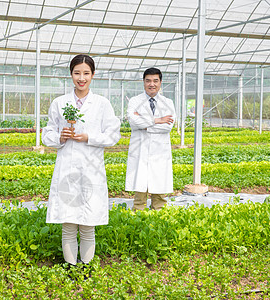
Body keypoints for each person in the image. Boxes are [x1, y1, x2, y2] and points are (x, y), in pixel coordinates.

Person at [42, 54, 121, 267]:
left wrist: (89, 137)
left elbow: (113, 135)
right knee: (68, 222)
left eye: (86, 73)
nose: (81, 78)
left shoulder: (102, 104)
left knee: (88, 223)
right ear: (71, 75)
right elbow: (47, 133)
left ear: (93, 75)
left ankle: (85, 266)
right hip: (67, 167)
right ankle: (71, 266)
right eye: (77, 73)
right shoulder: (60, 103)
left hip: (91, 168)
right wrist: (59, 137)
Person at [125, 67, 175, 211]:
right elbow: (133, 122)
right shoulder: (135, 101)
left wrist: (144, 124)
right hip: (140, 150)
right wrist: (158, 120)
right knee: (140, 190)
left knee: (160, 190)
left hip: (160, 151)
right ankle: (138, 214)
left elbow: (168, 127)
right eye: (148, 81)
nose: (151, 84)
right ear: (143, 82)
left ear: (160, 82)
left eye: (155, 81)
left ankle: (158, 213)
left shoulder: (168, 102)